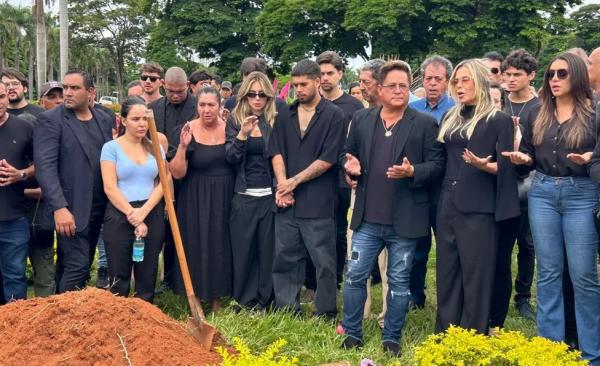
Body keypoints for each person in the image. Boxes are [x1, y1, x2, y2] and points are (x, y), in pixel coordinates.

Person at [339, 60, 445, 357]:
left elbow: (438, 166)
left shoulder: (424, 123)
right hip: (367, 219)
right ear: (379, 89)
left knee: (399, 281)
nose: (398, 91)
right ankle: (352, 333)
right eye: (392, 86)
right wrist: (350, 168)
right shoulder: (362, 119)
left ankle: (392, 336)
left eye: (404, 86)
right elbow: (347, 155)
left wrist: (413, 172)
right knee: (355, 276)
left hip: (405, 219)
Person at [504, 52, 600, 365]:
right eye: (551, 74)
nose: (555, 80)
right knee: (548, 273)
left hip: (581, 193)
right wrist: (523, 159)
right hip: (543, 192)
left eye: (562, 74)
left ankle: (591, 353)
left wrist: (591, 160)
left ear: (577, 76)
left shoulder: (594, 112)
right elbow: (530, 153)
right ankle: (550, 350)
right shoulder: (537, 112)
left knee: (584, 276)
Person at [435, 59, 519, 335]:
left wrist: (487, 166)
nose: (459, 86)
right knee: (447, 273)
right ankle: (445, 334)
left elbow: (507, 168)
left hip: (480, 208)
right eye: (456, 81)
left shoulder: (500, 120)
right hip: (448, 203)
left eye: (465, 80)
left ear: (481, 81)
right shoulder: (451, 117)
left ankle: (473, 336)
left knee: (476, 276)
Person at [268, 59, 345, 319]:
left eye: (303, 84)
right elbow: (276, 151)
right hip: (287, 200)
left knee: (323, 260)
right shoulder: (285, 115)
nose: (298, 89)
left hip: (319, 200)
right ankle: (287, 308)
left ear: (316, 82)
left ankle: (325, 310)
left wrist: (294, 182)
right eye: (295, 85)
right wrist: (282, 184)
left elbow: (328, 158)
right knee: (285, 256)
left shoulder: (335, 115)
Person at [34, 68, 114, 293]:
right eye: (65, 87)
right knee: (77, 268)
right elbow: (45, 167)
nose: (67, 93)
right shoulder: (50, 120)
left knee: (76, 264)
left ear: (90, 92)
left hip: (99, 207)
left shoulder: (104, 118)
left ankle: (60, 309)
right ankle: (66, 319)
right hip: (71, 208)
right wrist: (60, 207)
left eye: (74, 88)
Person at [170, 86, 234, 311]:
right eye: (202, 105)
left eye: (211, 105)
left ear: (220, 106)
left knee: (220, 244)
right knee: (195, 244)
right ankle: (194, 297)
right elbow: (177, 173)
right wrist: (182, 146)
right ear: (197, 107)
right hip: (195, 196)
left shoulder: (230, 130)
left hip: (224, 196)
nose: (206, 110)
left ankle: (217, 298)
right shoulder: (187, 130)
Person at [489, 49, 540, 331]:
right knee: (500, 246)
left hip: (529, 183)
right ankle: (499, 295)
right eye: (506, 74)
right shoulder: (500, 104)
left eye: (516, 75)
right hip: (498, 183)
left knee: (527, 243)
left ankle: (523, 297)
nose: (510, 79)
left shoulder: (540, 106)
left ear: (531, 76)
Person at [100, 97, 167, 302]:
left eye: (145, 119)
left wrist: (143, 213)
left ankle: (145, 322)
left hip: (150, 210)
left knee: (147, 274)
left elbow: (163, 182)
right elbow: (110, 187)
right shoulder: (111, 148)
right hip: (121, 213)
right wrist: (133, 214)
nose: (141, 124)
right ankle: (119, 323)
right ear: (123, 121)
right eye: (135, 119)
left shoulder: (156, 147)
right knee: (119, 275)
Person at [225, 72, 276, 310]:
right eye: (252, 94)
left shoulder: (275, 120)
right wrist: (243, 134)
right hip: (244, 195)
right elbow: (231, 158)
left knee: (266, 252)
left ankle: (264, 300)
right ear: (244, 96)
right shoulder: (234, 121)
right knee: (243, 250)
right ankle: (243, 299)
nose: (257, 99)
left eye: (262, 95)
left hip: (269, 195)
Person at [407, 55, 455, 309]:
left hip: (446, 186)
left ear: (447, 81)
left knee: (447, 244)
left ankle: (448, 297)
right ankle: (415, 295)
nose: (433, 83)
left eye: (438, 79)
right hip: (417, 183)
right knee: (416, 244)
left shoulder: (457, 109)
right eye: (428, 78)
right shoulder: (412, 108)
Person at [316, 51, 364, 289]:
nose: (325, 78)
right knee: (317, 228)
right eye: (321, 73)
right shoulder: (311, 103)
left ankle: (335, 277)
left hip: (341, 177)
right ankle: (315, 277)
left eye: (330, 73)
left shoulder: (353, 106)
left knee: (337, 230)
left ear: (340, 74)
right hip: (315, 177)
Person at [149, 66, 198, 293]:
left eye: (180, 91)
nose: (176, 95)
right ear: (163, 86)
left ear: (188, 86)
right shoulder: (153, 109)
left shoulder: (198, 106)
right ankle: (166, 278)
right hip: (158, 177)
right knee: (163, 229)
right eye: (171, 91)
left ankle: (185, 278)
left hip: (190, 175)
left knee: (187, 229)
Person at [0, 81, 35, 302]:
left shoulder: (23, 128)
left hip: (13, 218)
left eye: (1, 96)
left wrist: (20, 174)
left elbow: (41, 164)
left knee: (14, 277)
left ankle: (14, 331)